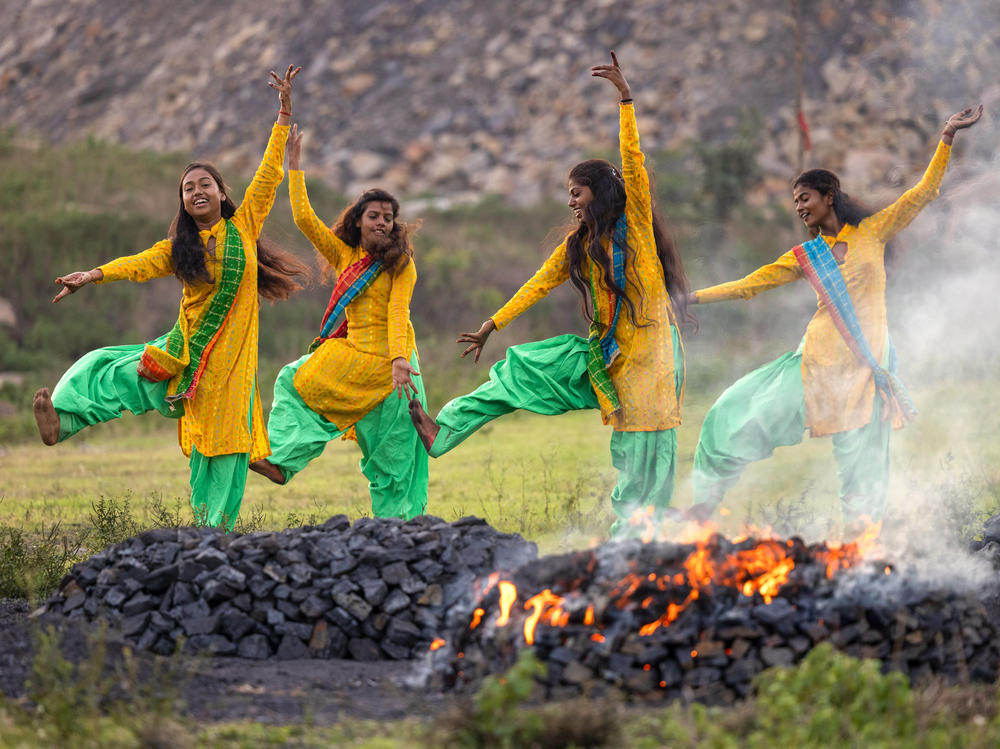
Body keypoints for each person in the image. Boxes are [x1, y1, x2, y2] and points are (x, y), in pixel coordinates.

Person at [408, 52, 693, 536]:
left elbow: (634, 164)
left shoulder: (637, 226)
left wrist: (626, 99)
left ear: (599, 193)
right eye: (568, 192)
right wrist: (491, 324)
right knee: (522, 370)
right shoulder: (579, 246)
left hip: (653, 360)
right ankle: (445, 430)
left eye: (577, 192)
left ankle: (641, 539)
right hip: (604, 355)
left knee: (645, 454)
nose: (570, 201)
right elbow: (537, 283)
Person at [32, 65, 308, 529]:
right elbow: (139, 262)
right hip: (182, 356)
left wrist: (283, 115)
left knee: (221, 451)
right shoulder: (179, 250)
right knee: (110, 369)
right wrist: (93, 274)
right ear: (183, 202)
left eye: (205, 184)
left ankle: (210, 531)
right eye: (188, 188)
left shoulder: (243, 226)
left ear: (221, 193)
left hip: (229, 372)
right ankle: (63, 420)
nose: (196, 191)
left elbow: (267, 177)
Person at [687, 105, 983, 532]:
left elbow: (922, 194)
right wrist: (692, 298)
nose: (800, 208)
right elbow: (750, 285)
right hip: (813, 365)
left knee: (860, 473)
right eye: (795, 203)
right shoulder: (807, 256)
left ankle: (859, 552)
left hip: (862, 370)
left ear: (829, 195)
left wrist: (947, 137)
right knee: (734, 415)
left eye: (804, 198)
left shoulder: (872, 232)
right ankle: (701, 507)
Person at [248, 123, 429, 521]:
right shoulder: (346, 256)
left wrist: (400, 359)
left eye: (388, 218)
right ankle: (281, 461)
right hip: (356, 358)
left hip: (392, 365)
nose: (382, 222)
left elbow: (399, 312)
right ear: (358, 221)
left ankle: (401, 533)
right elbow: (304, 219)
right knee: (294, 381)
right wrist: (294, 166)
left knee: (394, 455)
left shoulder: (401, 264)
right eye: (374, 216)